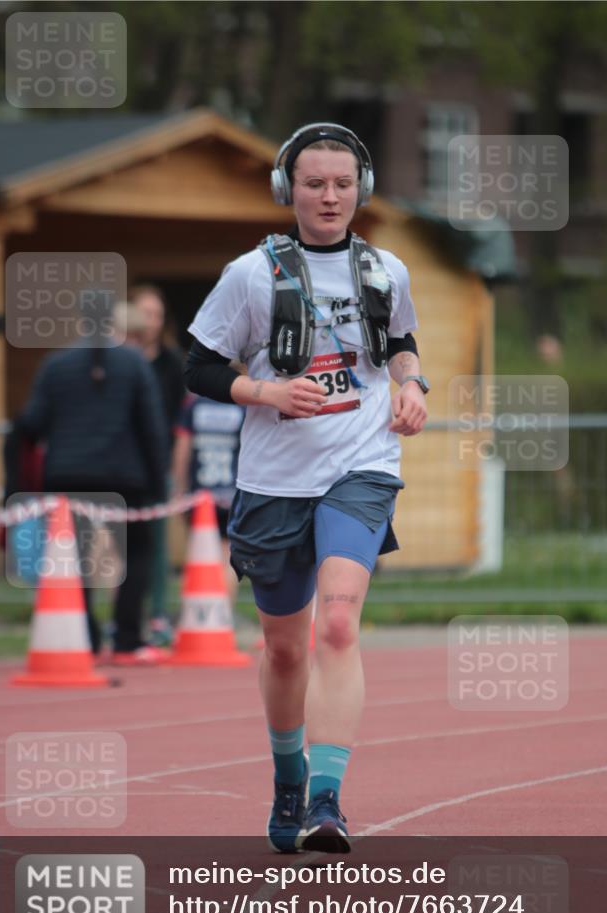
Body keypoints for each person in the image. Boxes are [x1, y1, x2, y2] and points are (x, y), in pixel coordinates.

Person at [184, 123, 428, 853]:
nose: (329, 196)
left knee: (339, 624)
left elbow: (403, 344)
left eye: (342, 184)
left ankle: (326, 801)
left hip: (361, 467)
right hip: (273, 479)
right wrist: (264, 392)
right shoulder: (250, 275)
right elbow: (196, 368)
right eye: (314, 183)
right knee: (285, 647)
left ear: (363, 190)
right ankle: (288, 781)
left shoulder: (386, 270)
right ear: (286, 189)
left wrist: (412, 386)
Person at [18, 295, 168, 664]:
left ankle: (83, 637)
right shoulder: (134, 363)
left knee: (76, 560)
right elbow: (151, 428)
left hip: (68, 476)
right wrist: (157, 483)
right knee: (137, 553)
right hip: (125, 477)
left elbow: (31, 424)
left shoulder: (55, 365)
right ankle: (128, 639)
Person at [129, 284, 186, 646]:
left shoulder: (172, 363)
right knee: (116, 549)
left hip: (158, 464)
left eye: (157, 315)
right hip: (118, 466)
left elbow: (182, 421)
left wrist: (176, 473)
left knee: (157, 549)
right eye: (144, 313)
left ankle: (158, 615)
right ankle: (123, 621)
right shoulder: (115, 358)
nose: (151, 321)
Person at [171, 388, 245, 605]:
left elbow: (182, 449)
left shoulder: (194, 405)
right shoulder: (242, 405)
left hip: (200, 496)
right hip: (231, 495)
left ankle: (196, 614)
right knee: (226, 558)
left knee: (197, 555)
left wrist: (179, 490)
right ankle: (222, 617)